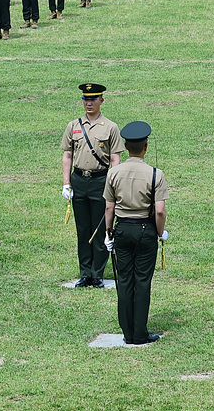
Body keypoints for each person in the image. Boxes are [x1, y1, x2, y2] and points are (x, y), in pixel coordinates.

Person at [103, 120, 168, 344]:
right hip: (145, 229)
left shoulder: (114, 173)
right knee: (142, 282)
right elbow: (159, 211)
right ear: (146, 147)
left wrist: (108, 232)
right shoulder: (155, 174)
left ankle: (127, 332)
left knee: (124, 280)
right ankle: (140, 332)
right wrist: (160, 233)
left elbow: (109, 207)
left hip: (122, 229)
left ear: (125, 146)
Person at [63, 83, 124, 287]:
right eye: (85, 99)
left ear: (101, 101)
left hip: (101, 180)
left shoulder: (110, 127)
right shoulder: (74, 125)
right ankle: (85, 272)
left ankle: (97, 273)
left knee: (100, 229)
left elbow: (115, 159)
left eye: (93, 99)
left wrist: (114, 185)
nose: (89, 103)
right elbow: (68, 155)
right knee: (82, 229)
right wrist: (66, 183)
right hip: (79, 180)